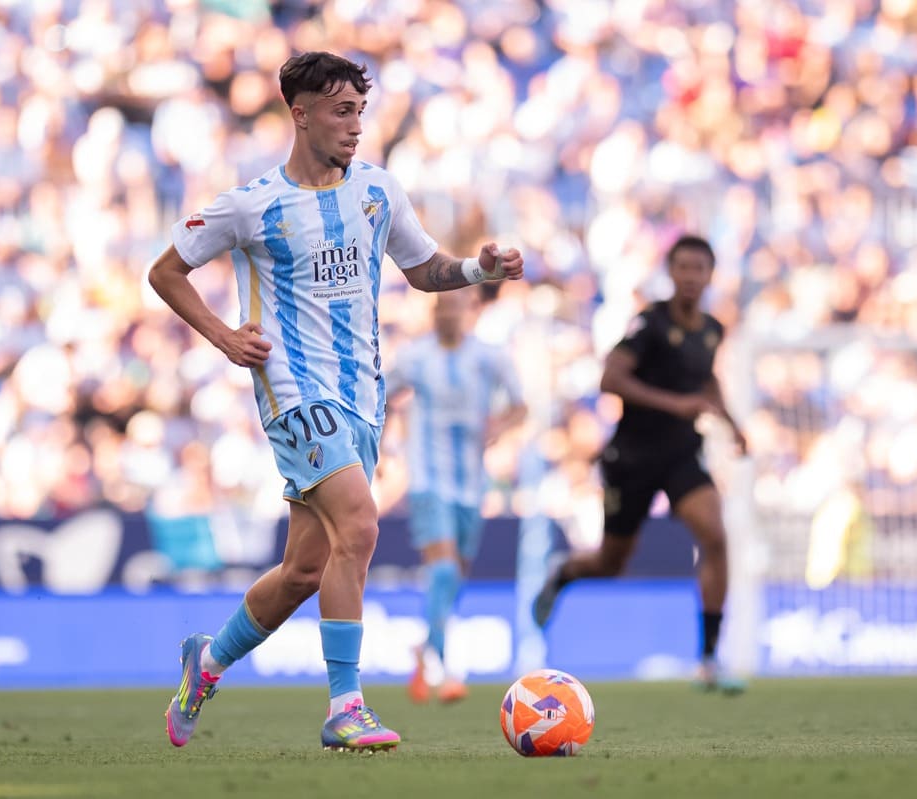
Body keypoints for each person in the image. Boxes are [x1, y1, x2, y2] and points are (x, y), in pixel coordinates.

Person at [148, 51, 524, 752]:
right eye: (341, 111)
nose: (355, 126)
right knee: (361, 522)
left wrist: (479, 267)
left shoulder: (378, 191)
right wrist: (225, 336)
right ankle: (345, 706)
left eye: (360, 111)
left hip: (362, 400)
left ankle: (209, 659)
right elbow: (165, 271)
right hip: (293, 391)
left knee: (303, 571)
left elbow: (423, 269)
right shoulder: (251, 205)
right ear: (300, 113)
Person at [531, 235, 747, 692]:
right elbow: (611, 378)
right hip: (632, 457)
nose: (691, 277)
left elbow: (705, 379)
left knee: (715, 535)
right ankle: (565, 573)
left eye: (699, 269)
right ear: (671, 272)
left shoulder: (711, 329)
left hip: (682, 455)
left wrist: (731, 422)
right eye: (683, 268)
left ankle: (708, 657)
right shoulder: (649, 323)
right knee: (612, 562)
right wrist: (675, 405)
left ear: (710, 275)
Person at [387, 288, 526, 704]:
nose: (448, 314)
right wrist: (380, 442)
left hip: (471, 484)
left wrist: (500, 427)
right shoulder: (415, 357)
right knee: (445, 572)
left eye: (456, 306)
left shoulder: (489, 356)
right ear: (433, 312)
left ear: (470, 311)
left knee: (456, 577)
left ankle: (425, 644)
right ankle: (445, 669)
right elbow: (383, 395)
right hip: (428, 479)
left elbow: (521, 406)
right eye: (442, 307)